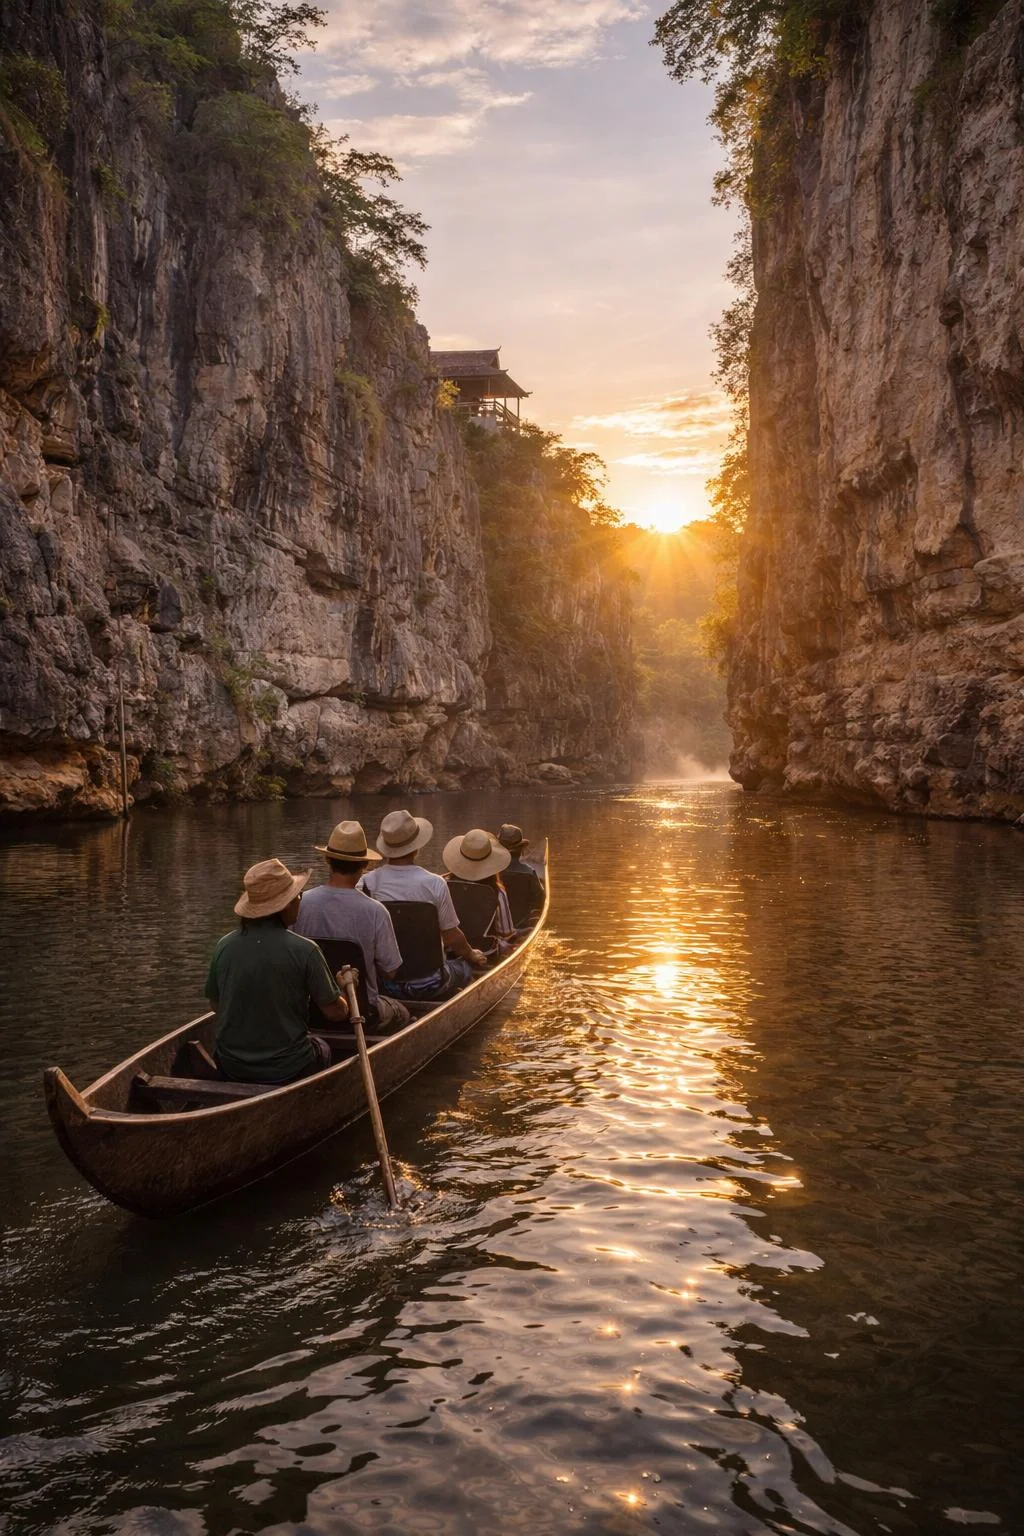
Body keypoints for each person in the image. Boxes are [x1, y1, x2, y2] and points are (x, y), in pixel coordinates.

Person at [206, 858, 349, 1083]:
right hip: (288, 1067)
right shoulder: (305, 950)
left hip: (231, 1065)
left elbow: (216, 1005)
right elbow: (336, 1013)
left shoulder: (223, 946)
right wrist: (342, 989)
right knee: (323, 1048)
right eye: (297, 897)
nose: (300, 901)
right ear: (285, 906)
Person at [292, 820, 411, 1033]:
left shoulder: (300, 904)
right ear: (364, 865)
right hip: (362, 1013)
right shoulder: (376, 911)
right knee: (402, 1012)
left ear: (328, 859)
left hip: (311, 1011)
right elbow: (391, 971)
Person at [359, 809, 488, 996]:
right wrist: (470, 953)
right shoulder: (435, 883)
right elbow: (451, 937)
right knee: (464, 967)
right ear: (416, 848)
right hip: (431, 982)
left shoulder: (366, 883)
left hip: (384, 983)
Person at [442, 829, 516, 957]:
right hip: (486, 953)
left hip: (450, 951)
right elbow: (506, 932)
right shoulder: (497, 891)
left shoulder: (443, 886)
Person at [496, 823, 545, 925]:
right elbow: (540, 901)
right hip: (521, 925)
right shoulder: (530, 873)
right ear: (520, 850)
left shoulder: (490, 873)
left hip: (496, 926)